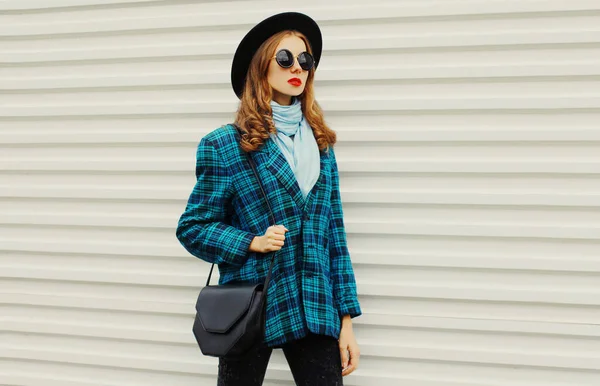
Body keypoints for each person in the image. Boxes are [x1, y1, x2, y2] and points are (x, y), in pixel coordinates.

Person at [176, 12, 362, 386]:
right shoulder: (225, 144)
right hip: (251, 304)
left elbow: (335, 238)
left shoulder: (322, 145)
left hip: (313, 304)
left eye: (305, 60)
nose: (298, 68)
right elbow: (193, 228)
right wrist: (250, 241)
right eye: (285, 58)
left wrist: (346, 322)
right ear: (261, 66)